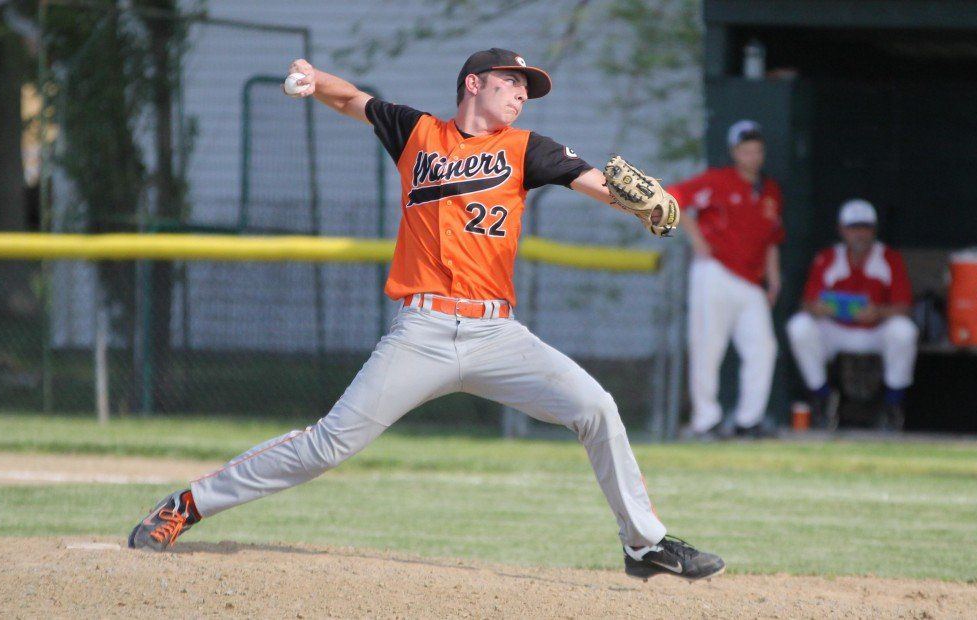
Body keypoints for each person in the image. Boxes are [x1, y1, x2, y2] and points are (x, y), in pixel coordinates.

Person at [127, 48, 725, 582]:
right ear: (473, 83)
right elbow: (354, 101)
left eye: (527, 88)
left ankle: (644, 545)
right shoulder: (417, 132)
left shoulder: (527, 149)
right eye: (512, 82)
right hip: (422, 331)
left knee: (597, 407)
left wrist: (637, 204)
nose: (521, 94)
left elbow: (591, 178)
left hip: (496, 334)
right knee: (327, 446)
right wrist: (314, 77)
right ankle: (187, 505)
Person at [666, 120, 784, 439]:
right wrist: (695, 236)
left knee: (763, 347)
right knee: (707, 346)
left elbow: (772, 237)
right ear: (735, 152)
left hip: (751, 279)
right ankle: (706, 420)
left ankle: (749, 420)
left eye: (757, 151)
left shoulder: (769, 189)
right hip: (715, 271)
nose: (752, 157)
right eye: (746, 151)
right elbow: (671, 198)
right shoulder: (718, 180)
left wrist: (774, 278)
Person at [786, 199, 917, 430]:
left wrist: (878, 312)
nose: (859, 234)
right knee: (799, 326)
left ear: (874, 230)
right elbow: (806, 303)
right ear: (842, 230)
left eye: (865, 228)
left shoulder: (889, 257)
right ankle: (822, 398)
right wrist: (818, 308)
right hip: (837, 329)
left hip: (875, 330)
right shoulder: (828, 257)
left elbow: (905, 307)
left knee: (904, 331)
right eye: (853, 228)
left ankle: (893, 406)